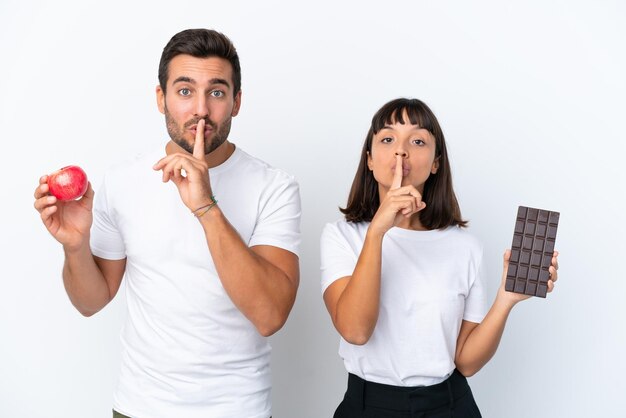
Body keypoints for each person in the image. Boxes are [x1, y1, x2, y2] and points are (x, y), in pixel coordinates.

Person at [33, 29, 300, 418]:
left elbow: (270, 315)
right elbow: (90, 302)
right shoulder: (122, 181)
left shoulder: (274, 186)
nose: (202, 110)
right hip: (140, 406)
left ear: (237, 102)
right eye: (185, 91)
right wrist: (75, 246)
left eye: (218, 92)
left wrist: (206, 207)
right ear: (161, 98)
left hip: (237, 408)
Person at [320, 98, 559, 417]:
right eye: (388, 139)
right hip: (369, 405)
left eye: (418, 141)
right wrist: (377, 231)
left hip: (449, 405)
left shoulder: (465, 246)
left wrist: (506, 299)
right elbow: (355, 330)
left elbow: (467, 362)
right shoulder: (342, 237)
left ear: (435, 163)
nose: (401, 150)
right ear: (370, 160)